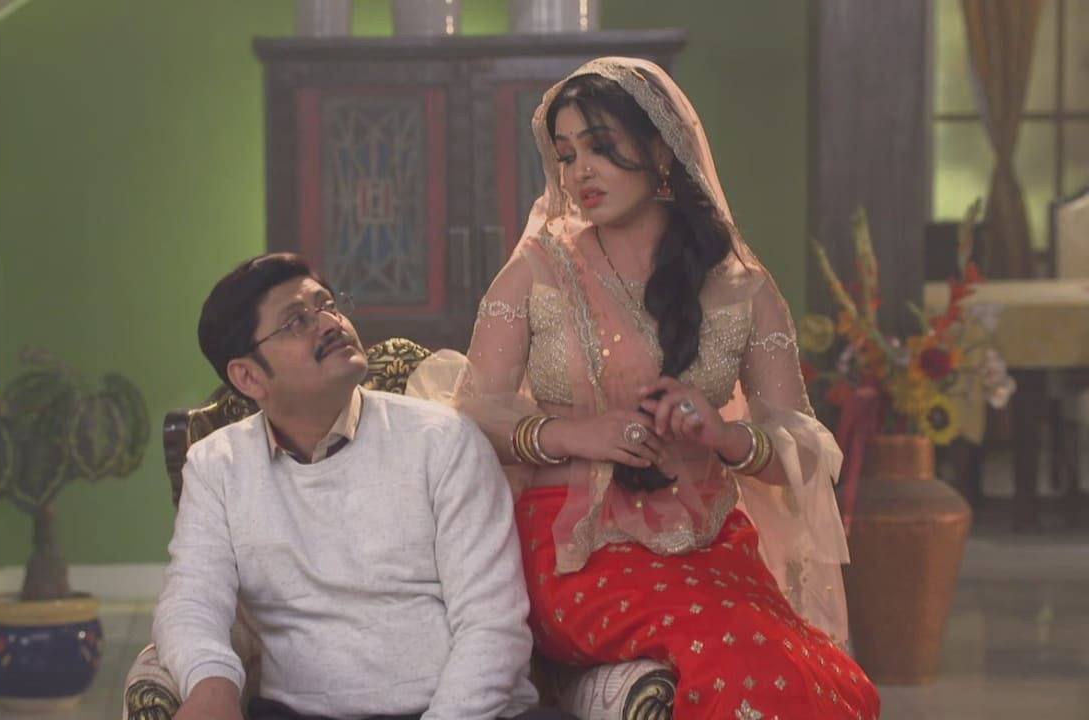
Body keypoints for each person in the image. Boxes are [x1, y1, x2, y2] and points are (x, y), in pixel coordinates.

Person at [407, 58, 881, 718]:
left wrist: (724, 437)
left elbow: (805, 450)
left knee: (833, 684)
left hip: (714, 547)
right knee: (745, 673)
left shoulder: (741, 289)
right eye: (567, 155)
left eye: (600, 147)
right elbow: (467, 416)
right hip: (575, 553)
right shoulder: (537, 273)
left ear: (661, 149)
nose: (580, 172)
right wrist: (574, 435)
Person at [154, 253, 566, 720]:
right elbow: (191, 600)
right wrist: (211, 684)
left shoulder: (443, 440)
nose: (330, 323)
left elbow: (492, 626)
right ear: (248, 376)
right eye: (297, 321)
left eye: (328, 305)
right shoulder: (217, 466)